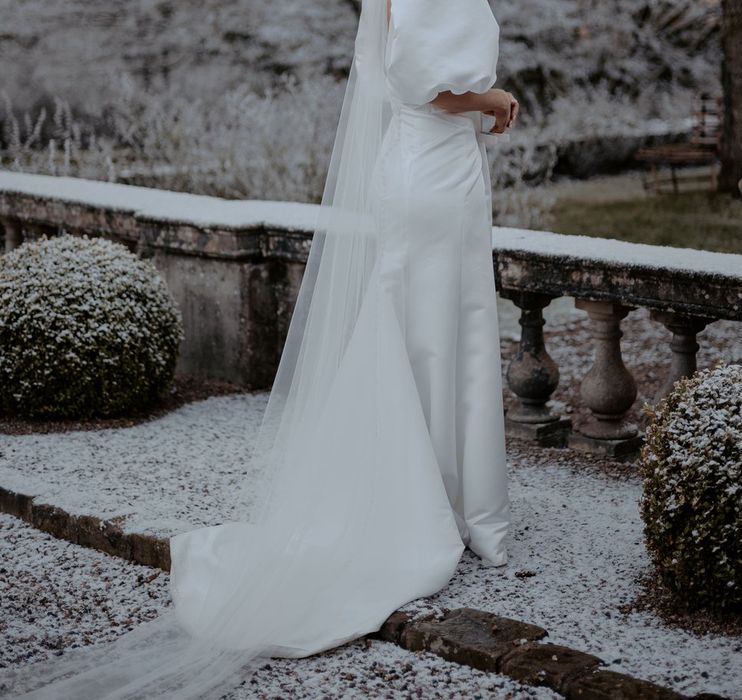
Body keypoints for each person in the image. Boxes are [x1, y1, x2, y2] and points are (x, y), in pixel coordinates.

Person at [2, 0, 519, 697]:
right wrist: (493, 98)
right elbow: (416, 77)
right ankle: (434, 500)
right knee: (428, 332)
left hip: (432, 167)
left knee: (432, 330)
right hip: (432, 171)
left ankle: (439, 488)